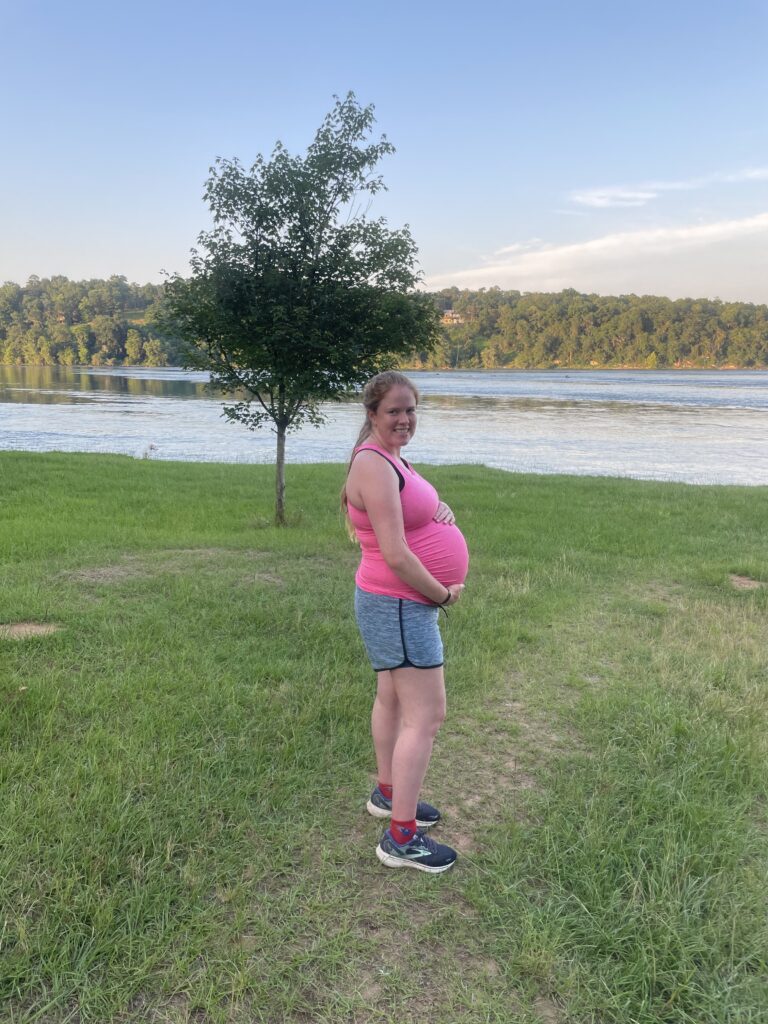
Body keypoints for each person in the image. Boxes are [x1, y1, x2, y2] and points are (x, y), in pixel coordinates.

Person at [342, 371, 469, 873]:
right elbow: (394, 553)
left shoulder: (390, 459)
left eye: (411, 409)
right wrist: (440, 595)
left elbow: (406, 516)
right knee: (428, 717)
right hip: (400, 602)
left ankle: (388, 792)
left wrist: (438, 509)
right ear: (372, 413)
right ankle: (401, 838)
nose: (404, 419)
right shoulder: (373, 464)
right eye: (394, 410)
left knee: (392, 698)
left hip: (391, 603)